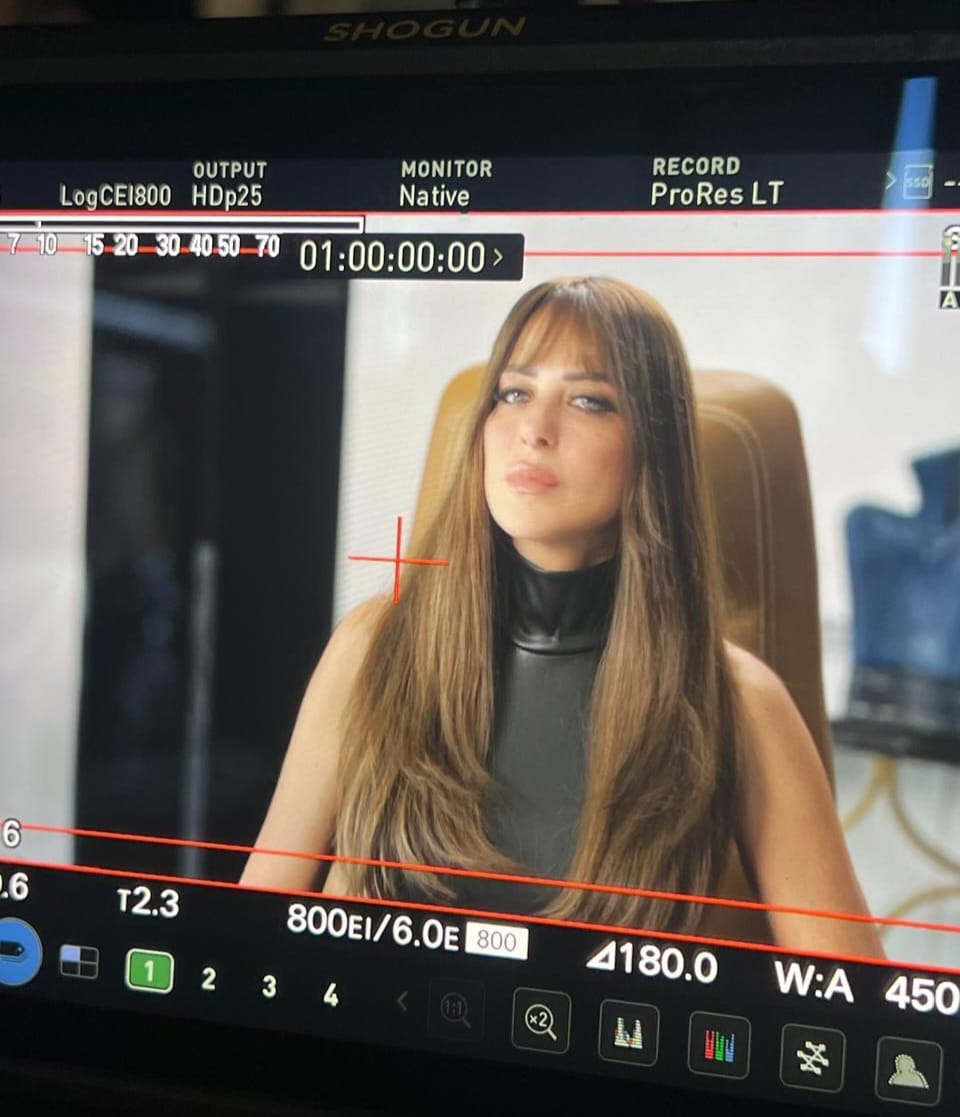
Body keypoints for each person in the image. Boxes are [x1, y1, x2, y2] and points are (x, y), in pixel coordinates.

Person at [241, 276, 885, 958]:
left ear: (653, 447)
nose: (533, 430)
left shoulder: (738, 702)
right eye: (513, 393)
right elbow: (246, 937)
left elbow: (854, 997)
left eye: (587, 400)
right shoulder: (373, 649)